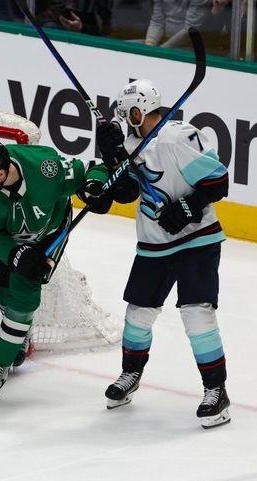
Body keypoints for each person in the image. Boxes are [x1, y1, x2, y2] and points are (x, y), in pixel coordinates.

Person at [97, 79, 231, 429]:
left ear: (142, 110)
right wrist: (112, 156)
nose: (128, 120)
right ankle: (130, 375)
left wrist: (188, 208)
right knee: (138, 314)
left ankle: (216, 391)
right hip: (154, 242)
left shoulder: (178, 136)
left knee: (197, 314)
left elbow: (218, 182)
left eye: (131, 114)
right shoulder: (128, 143)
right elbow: (126, 194)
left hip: (197, 239)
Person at [0, 137, 112, 404]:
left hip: (48, 234)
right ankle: (20, 332)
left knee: (24, 297)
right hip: (6, 238)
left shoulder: (45, 167)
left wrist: (95, 186)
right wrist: (14, 253)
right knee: (2, 291)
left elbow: (91, 167)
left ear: (1, 173)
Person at [144, 0, 209, 48]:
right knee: (135, 46)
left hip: (191, 46)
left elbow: (190, 29)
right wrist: (150, 44)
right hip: (164, 42)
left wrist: (163, 49)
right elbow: (157, 22)